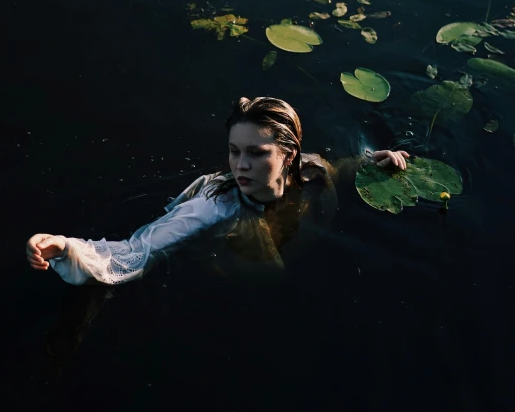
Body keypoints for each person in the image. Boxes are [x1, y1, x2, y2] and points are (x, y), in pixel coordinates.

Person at [26, 96, 409, 285]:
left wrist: (371, 161)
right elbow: (137, 251)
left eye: (256, 153)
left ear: (289, 153)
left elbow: (338, 170)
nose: (240, 165)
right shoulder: (213, 204)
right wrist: (67, 247)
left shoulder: (312, 170)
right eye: (233, 151)